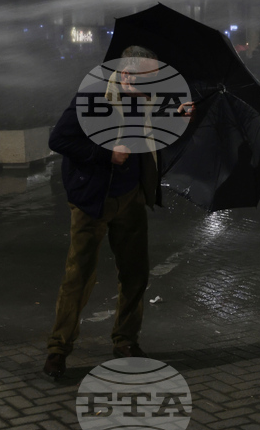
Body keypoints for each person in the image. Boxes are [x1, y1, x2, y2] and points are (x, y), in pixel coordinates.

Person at [42, 46, 193, 379]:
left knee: (136, 273)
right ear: (126, 75)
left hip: (130, 197)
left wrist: (179, 116)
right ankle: (58, 350)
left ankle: (125, 340)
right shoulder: (92, 95)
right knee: (78, 276)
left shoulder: (146, 95)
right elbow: (59, 140)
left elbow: (156, 125)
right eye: (148, 77)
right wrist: (104, 154)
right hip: (92, 200)